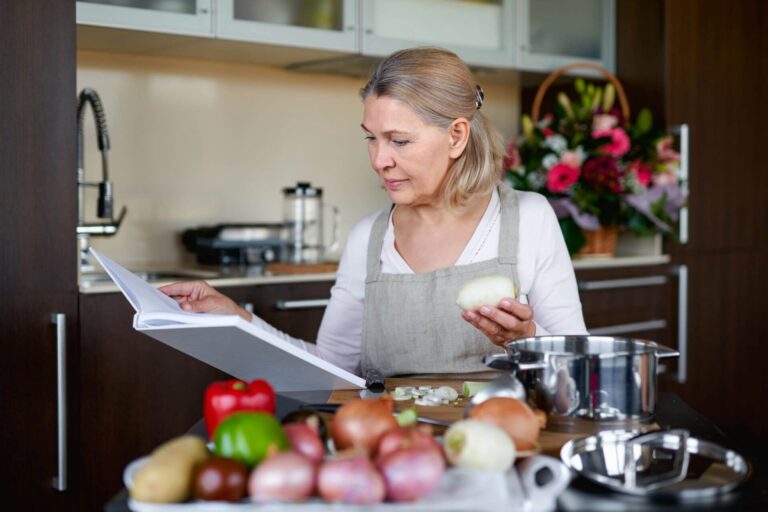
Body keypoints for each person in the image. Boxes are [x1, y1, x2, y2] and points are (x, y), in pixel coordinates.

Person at [160, 47, 587, 378]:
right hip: (390, 457)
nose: (379, 160)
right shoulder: (369, 237)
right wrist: (238, 320)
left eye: (399, 141)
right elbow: (331, 368)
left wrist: (528, 338)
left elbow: (578, 366)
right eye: (371, 139)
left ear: (456, 136)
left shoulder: (528, 218)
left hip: (499, 451)